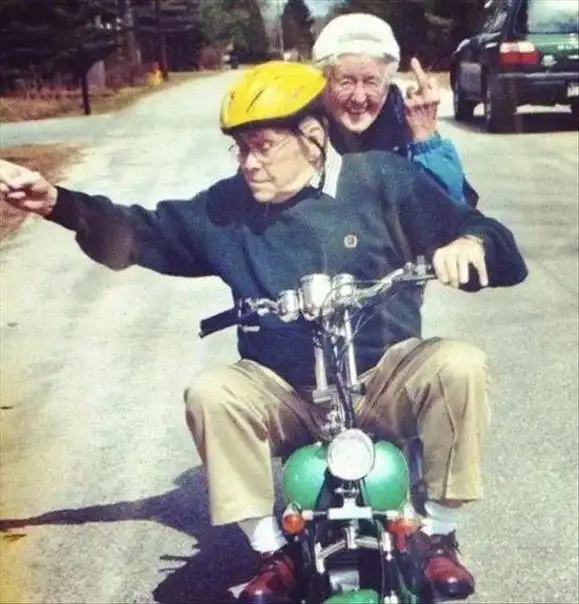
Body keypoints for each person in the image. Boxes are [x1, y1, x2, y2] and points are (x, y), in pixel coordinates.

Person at [0, 61, 527, 604]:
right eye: (241, 149)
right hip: (284, 392)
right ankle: (272, 551)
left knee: (459, 364)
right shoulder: (227, 209)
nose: (249, 163)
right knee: (212, 392)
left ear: (313, 138)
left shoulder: (383, 181)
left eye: (264, 147)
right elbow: (142, 231)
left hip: (384, 378)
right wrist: (57, 204)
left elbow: (486, 233)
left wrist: (471, 246)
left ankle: (437, 533)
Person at [313, 12, 479, 207]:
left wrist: (426, 140)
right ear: (324, 84)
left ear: (387, 85)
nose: (359, 98)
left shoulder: (407, 124)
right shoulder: (304, 131)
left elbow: (455, 209)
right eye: (346, 82)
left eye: (371, 82)